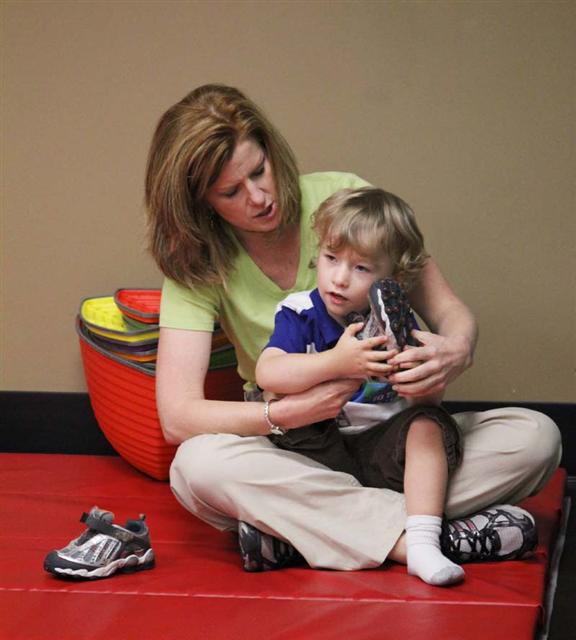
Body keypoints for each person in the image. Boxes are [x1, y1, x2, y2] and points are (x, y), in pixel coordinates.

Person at [145, 83, 561, 574]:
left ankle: (305, 532)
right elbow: (178, 417)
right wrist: (289, 414)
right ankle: (422, 539)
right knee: (198, 468)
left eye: (260, 171)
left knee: (536, 439)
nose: (259, 197)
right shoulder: (198, 261)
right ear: (202, 203)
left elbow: (451, 314)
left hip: (390, 440)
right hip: (297, 448)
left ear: (272, 151)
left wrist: (455, 351)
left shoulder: (343, 198)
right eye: (232, 191)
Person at [255, 186, 465, 585]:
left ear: (393, 279)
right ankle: (426, 528)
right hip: (318, 453)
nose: (338, 278)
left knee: (430, 427)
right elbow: (269, 373)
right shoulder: (300, 312)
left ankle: (421, 542)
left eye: (362, 269)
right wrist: (337, 362)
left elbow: (429, 402)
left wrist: (412, 377)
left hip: (384, 454)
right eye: (331, 259)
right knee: (254, 442)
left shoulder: (395, 321)